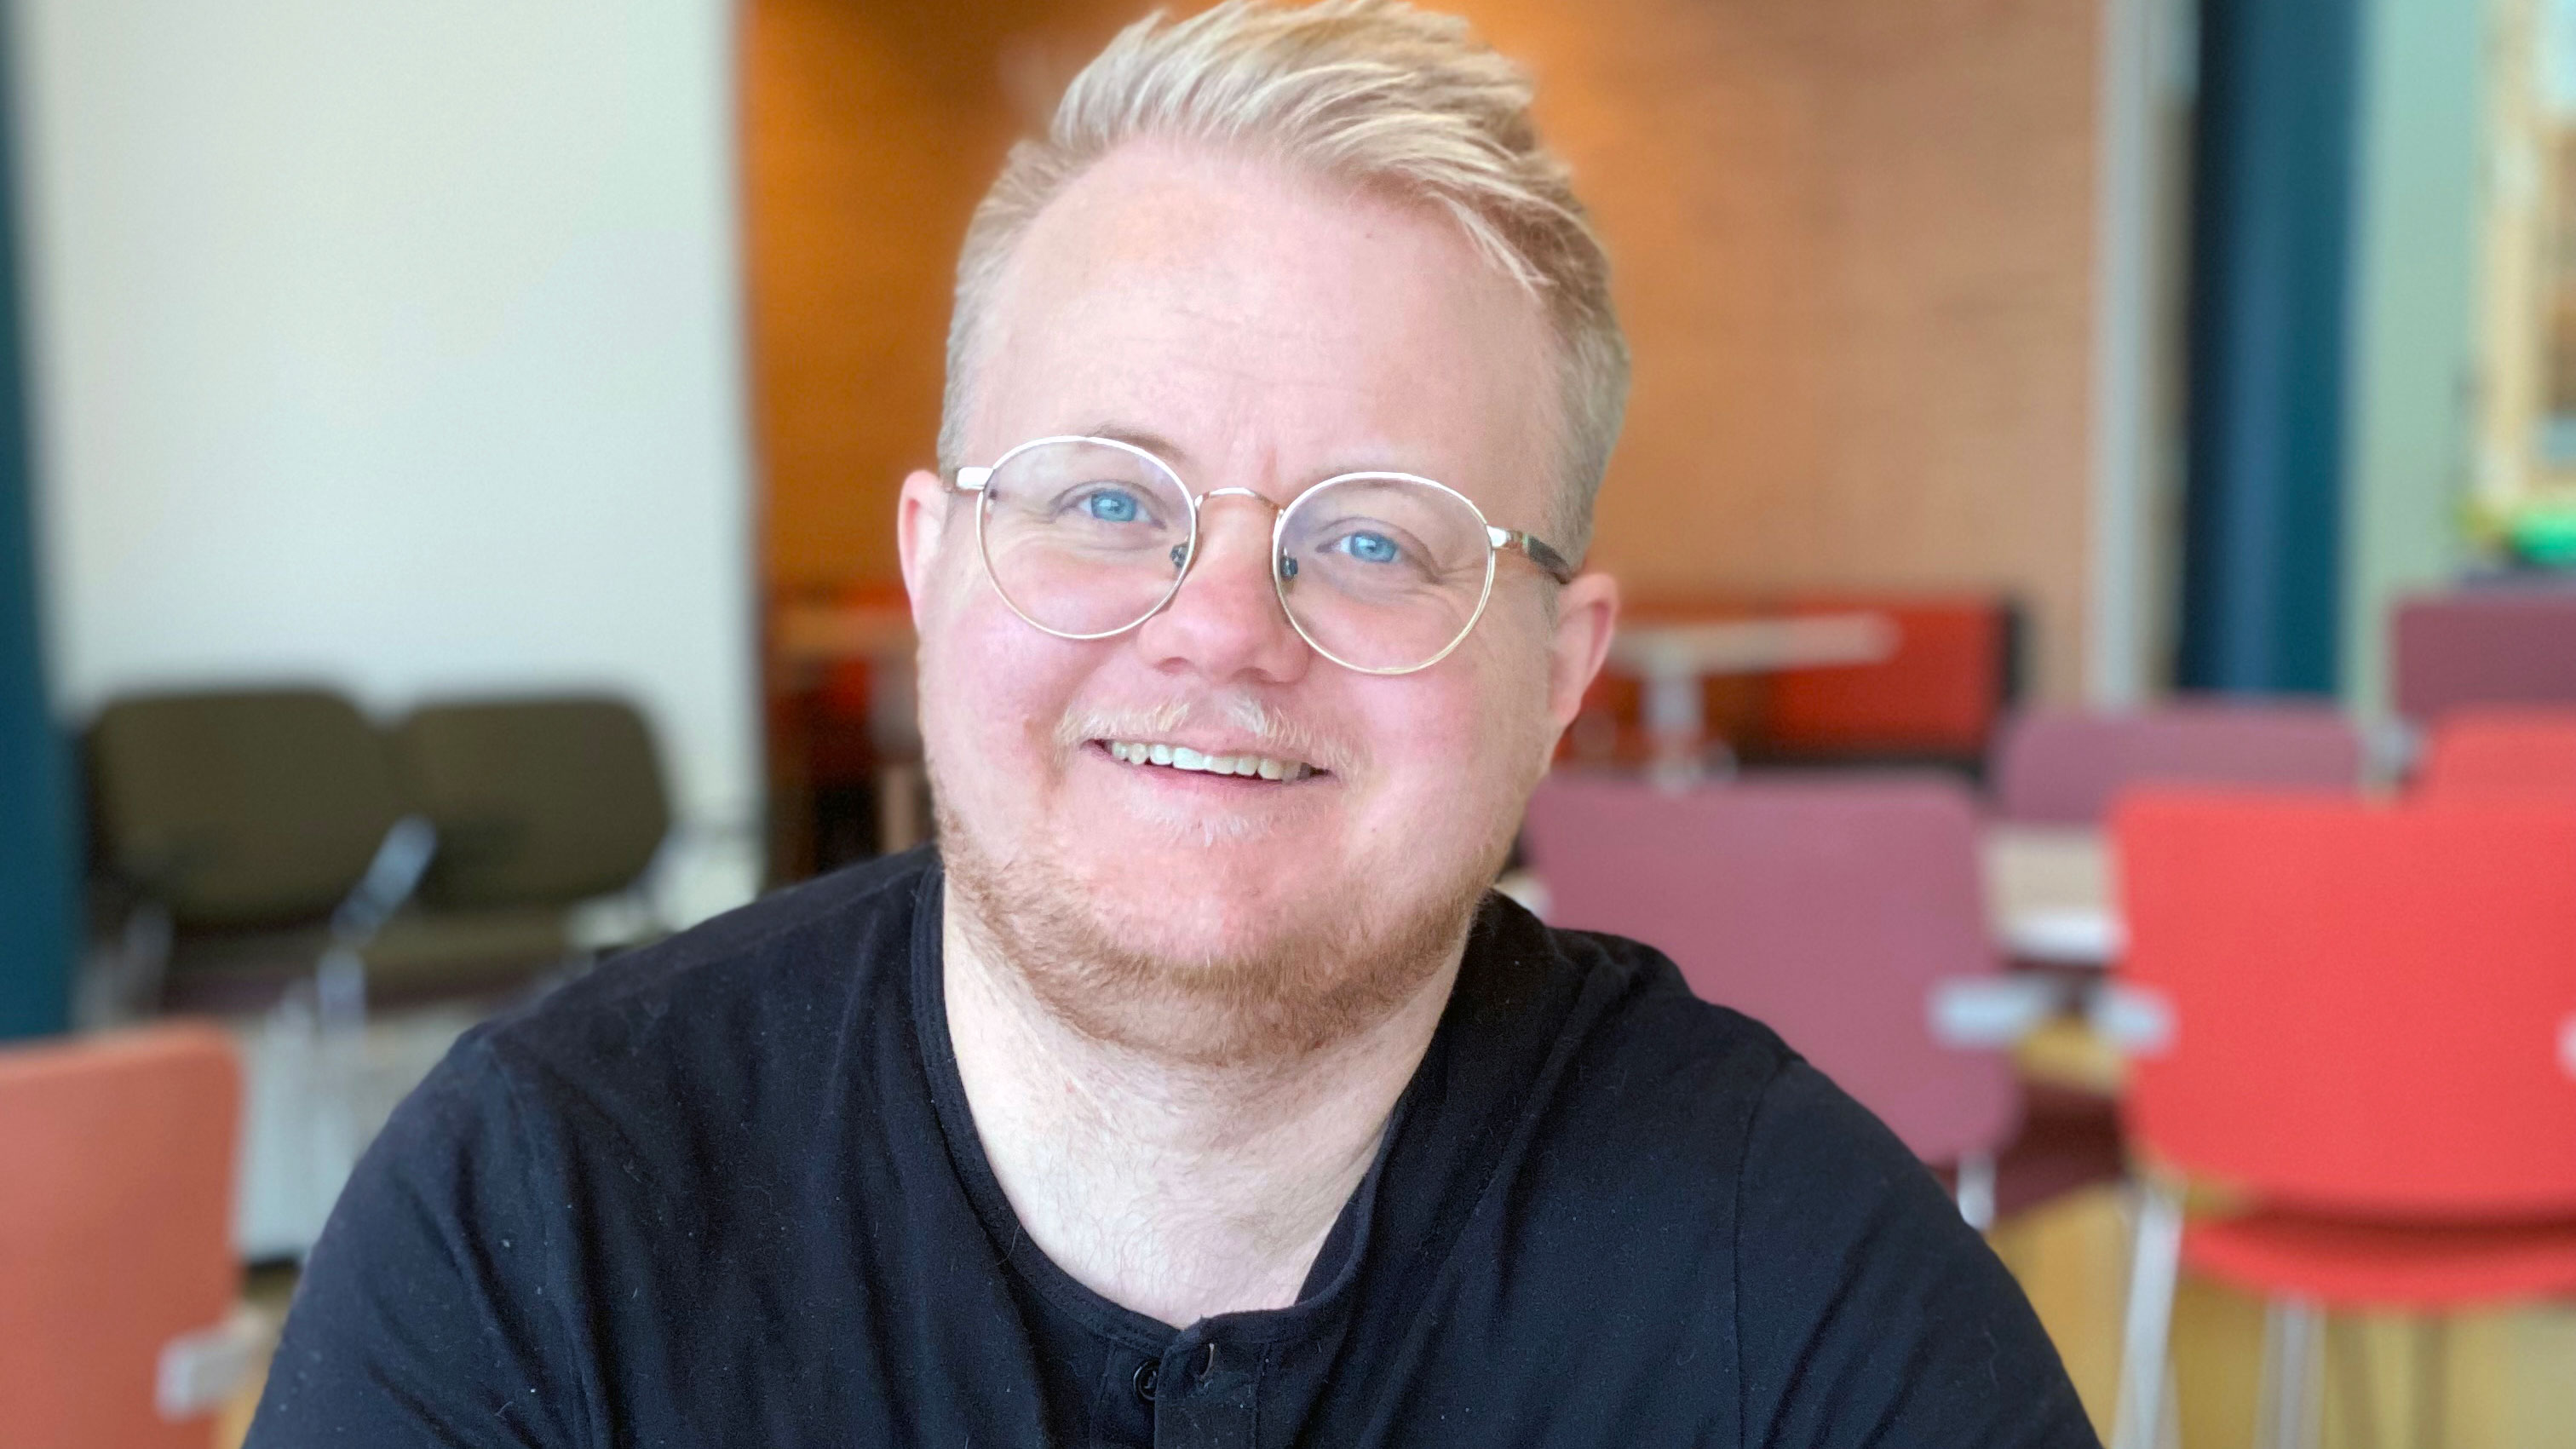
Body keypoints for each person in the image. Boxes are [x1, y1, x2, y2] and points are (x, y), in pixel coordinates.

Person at [248, 3, 2098, 1445]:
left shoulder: (1806, 1300)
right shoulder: (543, 1220)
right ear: (932, 564)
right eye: (1108, 498)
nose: (1219, 628)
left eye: (1373, 539)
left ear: (1560, 672)